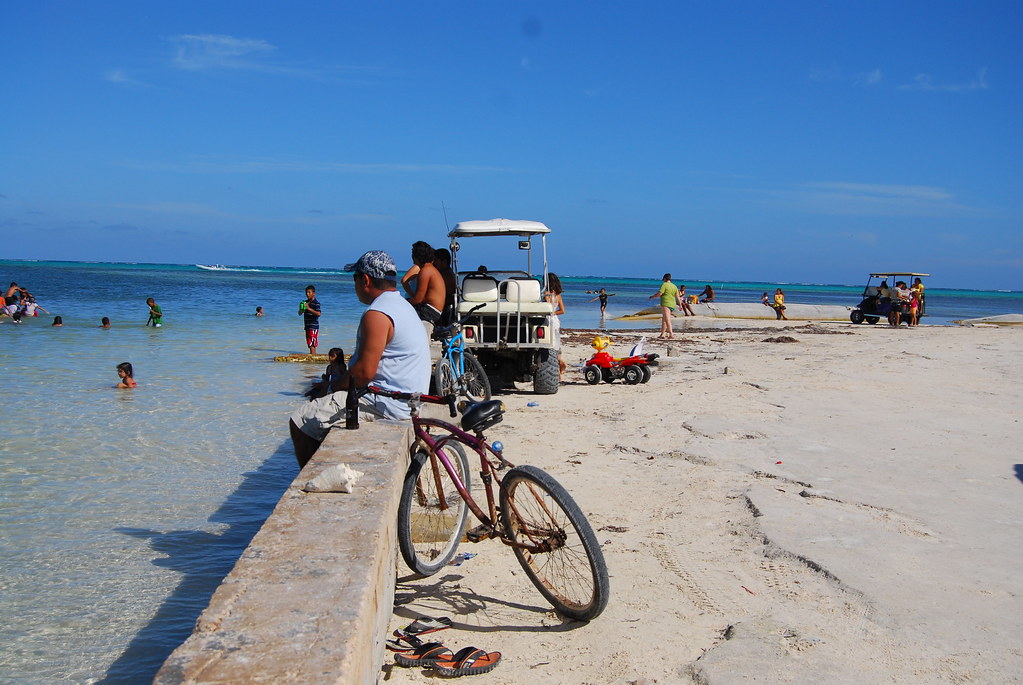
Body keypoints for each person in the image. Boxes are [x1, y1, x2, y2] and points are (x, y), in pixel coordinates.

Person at [289, 250, 431, 467]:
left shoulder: (377, 314)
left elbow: (364, 373)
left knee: (300, 421)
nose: (354, 285)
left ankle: (317, 476)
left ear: (365, 280)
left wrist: (329, 388)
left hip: (385, 405)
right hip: (406, 400)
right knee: (321, 404)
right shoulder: (403, 306)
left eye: (354, 278)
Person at [402, 241, 446, 332]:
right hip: (433, 310)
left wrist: (402, 303)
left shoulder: (425, 271)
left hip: (430, 311)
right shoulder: (430, 269)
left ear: (417, 256)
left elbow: (418, 299)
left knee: (398, 311)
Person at [546, 273, 567, 380]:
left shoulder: (547, 294)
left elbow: (547, 307)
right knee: (556, 343)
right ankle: (559, 371)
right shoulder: (558, 295)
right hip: (556, 320)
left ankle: (560, 365)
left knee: (549, 344)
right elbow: (563, 311)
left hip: (548, 320)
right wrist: (554, 313)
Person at [648, 273, 682, 339]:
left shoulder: (664, 285)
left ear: (665, 278)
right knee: (664, 319)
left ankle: (671, 334)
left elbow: (660, 293)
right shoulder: (674, 286)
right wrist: (680, 304)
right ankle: (662, 334)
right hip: (672, 304)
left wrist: (652, 297)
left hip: (666, 303)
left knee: (667, 320)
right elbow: (678, 296)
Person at [433, 247, 458, 326]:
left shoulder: (445, 276)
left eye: (436, 261)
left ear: (444, 262)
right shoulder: (447, 273)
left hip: (445, 312)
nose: (433, 263)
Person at [299, 285, 321, 355]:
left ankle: (313, 356)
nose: (307, 294)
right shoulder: (306, 303)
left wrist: (309, 309)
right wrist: (302, 309)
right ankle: (312, 356)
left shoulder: (316, 303)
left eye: (309, 292)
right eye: (306, 292)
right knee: (309, 343)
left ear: (314, 293)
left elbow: (318, 313)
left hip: (313, 326)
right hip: (307, 326)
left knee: (312, 343)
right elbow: (299, 313)